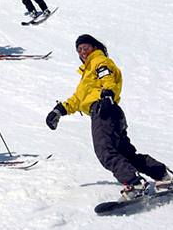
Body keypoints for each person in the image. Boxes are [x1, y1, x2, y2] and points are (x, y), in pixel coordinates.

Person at [46, 34, 172, 201]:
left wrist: (107, 95)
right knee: (126, 154)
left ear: (95, 47)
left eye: (85, 47)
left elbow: (108, 79)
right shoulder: (87, 73)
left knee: (105, 151)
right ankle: (163, 174)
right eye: (79, 50)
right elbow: (77, 99)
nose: (82, 52)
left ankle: (134, 183)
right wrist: (59, 110)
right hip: (112, 112)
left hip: (103, 111)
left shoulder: (100, 62)